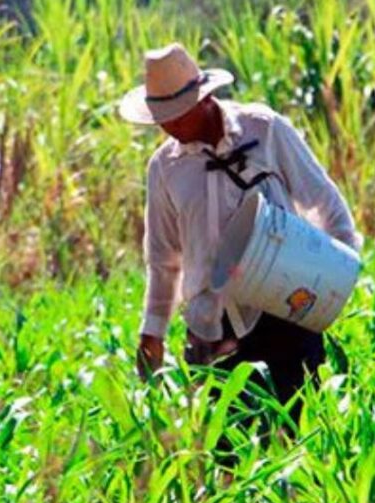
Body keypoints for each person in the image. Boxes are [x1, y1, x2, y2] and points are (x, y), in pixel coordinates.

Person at [118, 43, 362, 434]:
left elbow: (325, 203)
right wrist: (153, 331)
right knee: (227, 457)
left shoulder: (265, 130)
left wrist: (340, 276)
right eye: (159, 118)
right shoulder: (164, 168)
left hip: (284, 311)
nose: (167, 127)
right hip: (211, 329)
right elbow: (163, 260)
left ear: (203, 99)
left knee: (291, 442)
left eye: (174, 115)